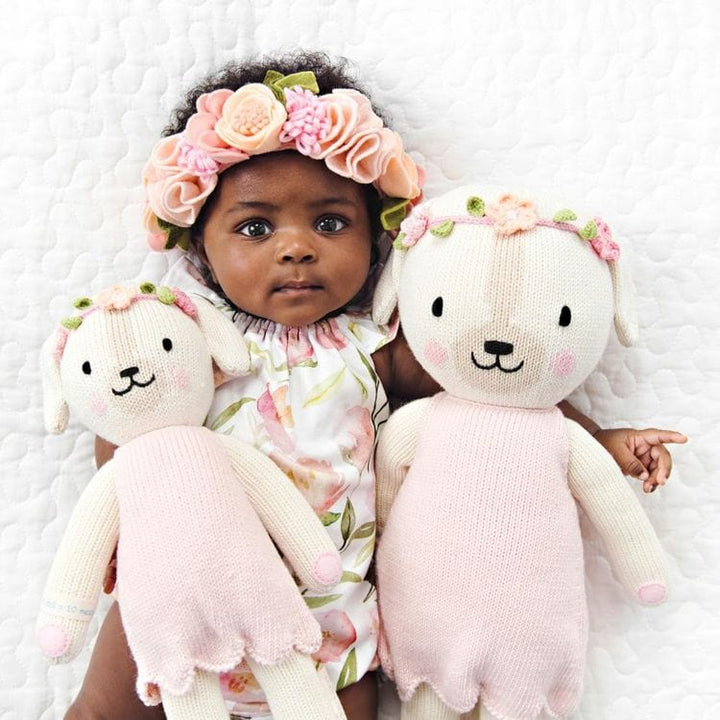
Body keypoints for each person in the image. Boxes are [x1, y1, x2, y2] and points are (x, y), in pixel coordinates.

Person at [65, 51, 686, 720]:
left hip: (329, 611)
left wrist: (603, 439)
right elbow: (129, 428)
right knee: (106, 707)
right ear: (199, 247)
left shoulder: (375, 347)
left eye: (330, 223)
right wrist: (123, 532)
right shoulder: (183, 340)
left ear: (376, 239)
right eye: (255, 227)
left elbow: (503, 392)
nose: (295, 247)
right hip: (190, 589)